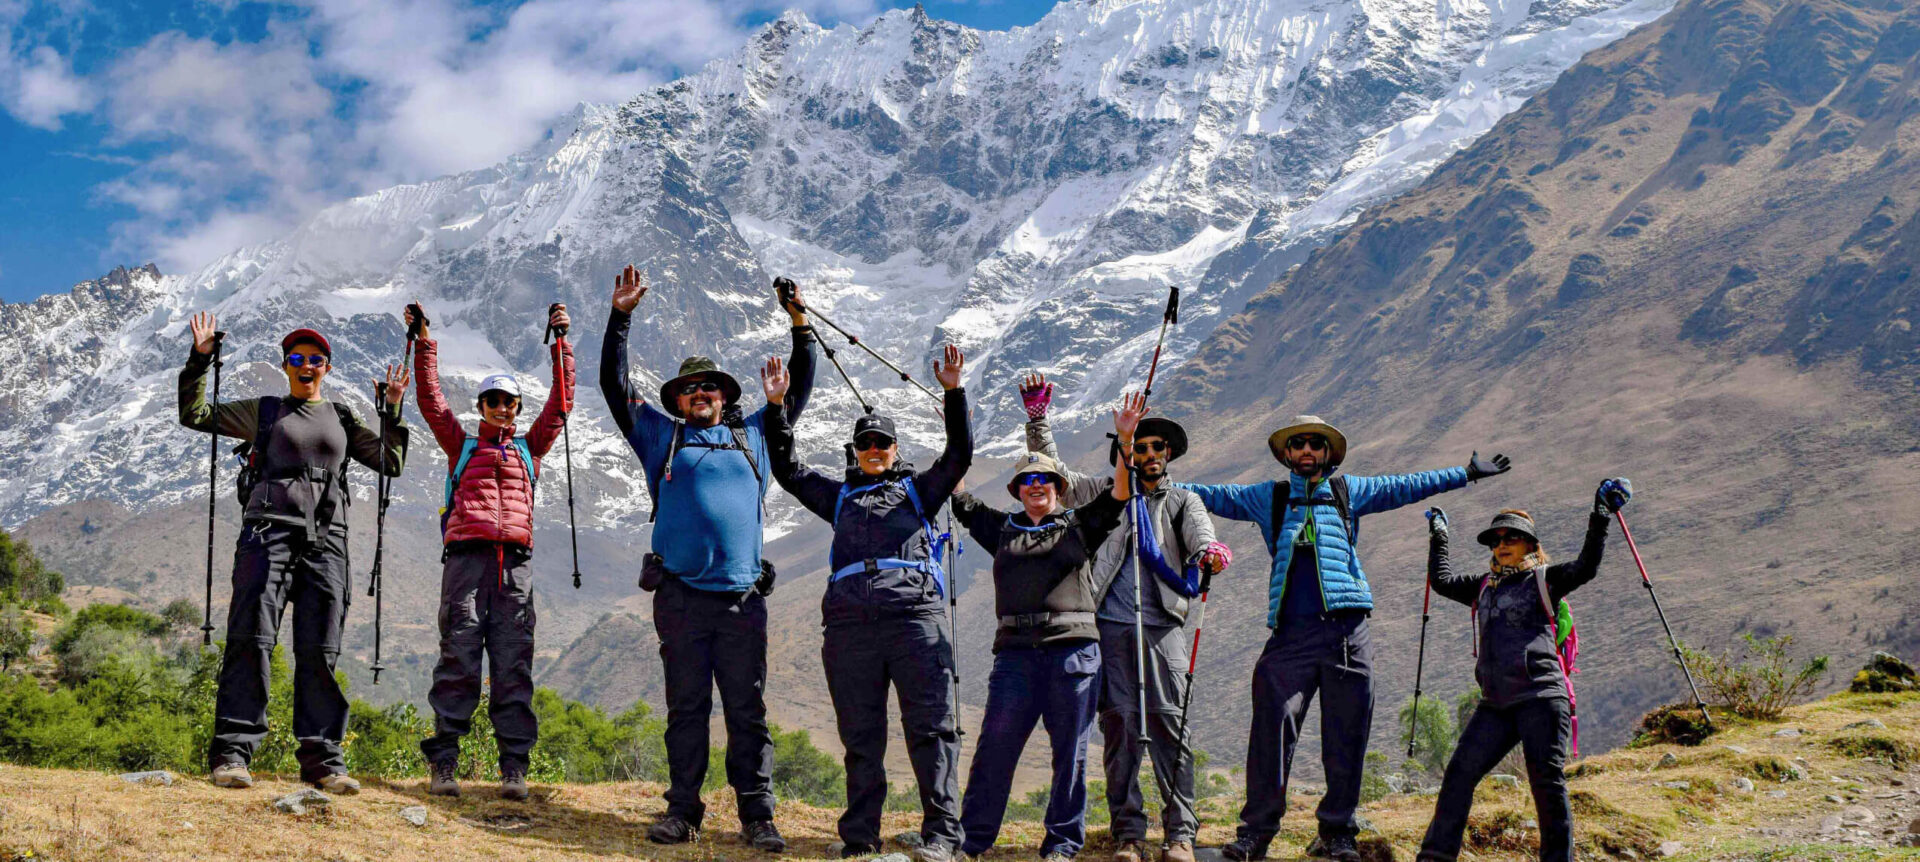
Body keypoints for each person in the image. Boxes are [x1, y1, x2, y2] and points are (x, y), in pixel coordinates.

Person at [1177, 416, 1511, 862]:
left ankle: (1338, 833)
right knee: (1271, 726)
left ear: (1328, 453)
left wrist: (1464, 474)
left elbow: (1404, 485)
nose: (1308, 450)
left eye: (1316, 444)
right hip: (1289, 633)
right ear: (1287, 454)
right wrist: (1154, 477)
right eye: (1299, 444)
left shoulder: (1349, 491)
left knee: (1347, 732)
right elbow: (1211, 496)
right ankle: (1255, 832)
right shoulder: (1269, 497)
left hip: (1347, 629)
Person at [599, 265, 817, 852]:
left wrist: (800, 323)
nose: (701, 394)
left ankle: (757, 817)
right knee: (686, 710)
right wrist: (620, 318)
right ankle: (682, 812)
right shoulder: (660, 437)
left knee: (748, 712)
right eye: (690, 389)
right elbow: (614, 388)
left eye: (711, 388)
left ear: (725, 397)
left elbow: (798, 390)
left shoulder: (756, 435)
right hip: (681, 598)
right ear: (677, 399)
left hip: (744, 600)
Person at [177, 313, 409, 794]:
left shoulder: (343, 417)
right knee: (250, 640)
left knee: (320, 650)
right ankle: (233, 755)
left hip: (329, 543)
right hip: (266, 537)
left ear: (327, 367)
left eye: (316, 359)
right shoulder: (264, 412)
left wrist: (391, 411)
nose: (307, 366)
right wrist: (200, 361)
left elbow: (390, 461)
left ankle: (323, 762)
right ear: (286, 366)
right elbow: (195, 415)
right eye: (298, 359)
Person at [762, 344, 970, 862]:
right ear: (854, 450)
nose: (874, 449)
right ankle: (860, 838)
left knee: (931, 729)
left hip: (915, 623)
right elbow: (787, 470)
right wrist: (775, 409)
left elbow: (959, 453)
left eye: (882, 443)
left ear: (896, 449)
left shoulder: (922, 492)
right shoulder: (837, 497)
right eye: (865, 443)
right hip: (851, 628)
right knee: (861, 736)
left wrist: (953, 392)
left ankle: (943, 836)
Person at [1018, 375, 1230, 862]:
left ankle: (1180, 834)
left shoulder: (1183, 502)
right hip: (1109, 629)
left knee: (1171, 728)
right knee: (1120, 730)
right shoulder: (1104, 493)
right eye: (1141, 444)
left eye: (1159, 447)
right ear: (1128, 449)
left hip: (1163, 629)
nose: (1150, 454)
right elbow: (1060, 481)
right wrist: (1037, 422)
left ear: (1169, 454)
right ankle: (1128, 834)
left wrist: (1211, 554)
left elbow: (1201, 539)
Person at [951, 394, 1146, 862]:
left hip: (1073, 654)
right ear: (1017, 489)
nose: (1036, 485)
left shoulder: (1081, 526)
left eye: (1045, 479)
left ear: (1059, 487)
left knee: (1070, 754)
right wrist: (957, 426)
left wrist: (1125, 438)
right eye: (1027, 480)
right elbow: (955, 491)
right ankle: (971, 842)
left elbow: (1121, 492)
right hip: (1014, 656)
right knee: (994, 748)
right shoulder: (999, 529)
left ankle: (1061, 845)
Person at [407, 302, 575, 800]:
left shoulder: (531, 449)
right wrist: (424, 342)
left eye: (511, 402)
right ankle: (444, 764)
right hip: (465, 563)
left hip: (515, 568)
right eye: (494, 400)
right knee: (458, 658)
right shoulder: (461, 445)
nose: (503, 408)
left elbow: (562, 404)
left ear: (519, 409)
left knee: (512, 663)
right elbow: (431, 401)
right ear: (481, 406)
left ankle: (514, 769)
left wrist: (561, 344)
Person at [1416, 480, 1630, 862]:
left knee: (1546, 784)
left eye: (1511, 537)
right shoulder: (1483, 585)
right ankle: (1435, 857)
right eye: (1496, 539)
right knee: (1459, 776)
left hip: (1541, 699)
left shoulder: (1544, 580)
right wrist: (1440, 536)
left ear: (1530, 544)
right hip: (1495, 705)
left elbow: (1587, 567)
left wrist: (1600, 517)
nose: (1501, 544)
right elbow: (1442, 581)